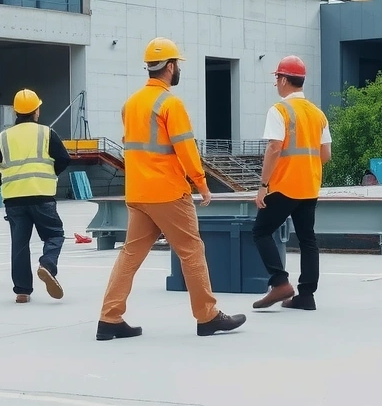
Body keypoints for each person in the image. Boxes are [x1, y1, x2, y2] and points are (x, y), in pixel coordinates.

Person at [96, 37, 246, 340]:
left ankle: (109, 318)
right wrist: (202, 184)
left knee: (130, 255)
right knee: (192, 251)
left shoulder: (131, 104)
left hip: (137, 193)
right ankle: (207, 316)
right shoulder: (170, 104)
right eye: (178, 65)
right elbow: (186, 149)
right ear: (171, 66)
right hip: (167, 192)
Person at [251, 55, 332, 312]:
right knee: (308, 239)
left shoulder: (280, 110)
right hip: (309, 186)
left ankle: (280, 283)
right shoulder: (318, 114)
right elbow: (326, 154)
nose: (276, 83)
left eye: (277, 78)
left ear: (284, 79)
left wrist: (263, 185)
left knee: (261, 231)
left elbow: (274, 147)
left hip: (284, 185)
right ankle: (306, 296)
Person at [0, 88, 71, 304]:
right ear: (36, 111)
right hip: (41, 195)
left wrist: (2, 180)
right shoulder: (46, 133)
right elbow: (64, 158)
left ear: (16, 111)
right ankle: (47, 265)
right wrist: (50, 174)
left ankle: (22, 291)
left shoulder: (3, 137)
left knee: (19, 245)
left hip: (14, 200)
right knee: (54, 235)